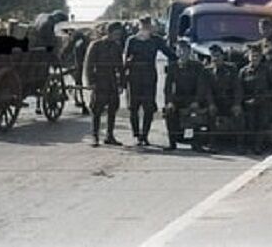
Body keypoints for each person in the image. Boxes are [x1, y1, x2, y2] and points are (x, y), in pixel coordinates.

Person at [124, 16, 177, 146]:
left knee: (148, 108)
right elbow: (126, 59)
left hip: (149, 76)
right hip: (134, 77)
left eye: (147, 25)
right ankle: (136, 134)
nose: (146, 27)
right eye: (143, 25)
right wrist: (123, 77)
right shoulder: (132, 40)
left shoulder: (156, 40)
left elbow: (169, 54)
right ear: (139, 26)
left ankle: (145, 135)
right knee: (133, 107)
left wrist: (177, 63)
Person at [83, 22, 126, 147]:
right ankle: (95, 136)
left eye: (119, 34)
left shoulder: (116, 46)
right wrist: (90, 82)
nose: (117, 36)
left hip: (112, 81)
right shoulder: (96, 45)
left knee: (113, 108)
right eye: (116, 33)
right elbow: (89, 65)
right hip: (99, 81)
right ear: (109, 33)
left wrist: (121, 83)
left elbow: (120, 66)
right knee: (97, 110)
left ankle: (109, 135)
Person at [163, 40, 210, 151]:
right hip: (178, 98)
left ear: (189, 52)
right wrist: (169, 101)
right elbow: (168, 87)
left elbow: (201, 86)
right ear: (177, 52)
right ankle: (172, 142)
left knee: (197, 113)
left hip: (193, 98)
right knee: (169, 111)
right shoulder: (172, 67)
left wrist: (197, 101)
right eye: (180, 50)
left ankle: (197, 144)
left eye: (185, 50)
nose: (182, 53)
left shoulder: (197, 66)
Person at [204, 44, 245, 152]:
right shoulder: (207, 71)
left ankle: (240, 144)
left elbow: (237, 88)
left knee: (238, 114)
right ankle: (212, 143)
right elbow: (207, 91)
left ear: (222, 56)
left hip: (229, 101)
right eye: (213, 56)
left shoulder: (231, 69)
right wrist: (211, 104)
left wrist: (237, 104)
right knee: (210, 113)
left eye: (217, 56)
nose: (215, 58)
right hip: (216, 102)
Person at [239, 45, 272, 154]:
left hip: (264, 102)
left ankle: (258, 146)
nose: (254, 58)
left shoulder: (267, 70)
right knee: (250, 124)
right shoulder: (243, 71)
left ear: (261, 57)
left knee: (262, 124)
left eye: (257, 56)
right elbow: (239, 89)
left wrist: (263, 98)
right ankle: (249, 145)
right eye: (252, 56)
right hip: (248, 103)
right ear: (248, 57)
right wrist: (243, 101)